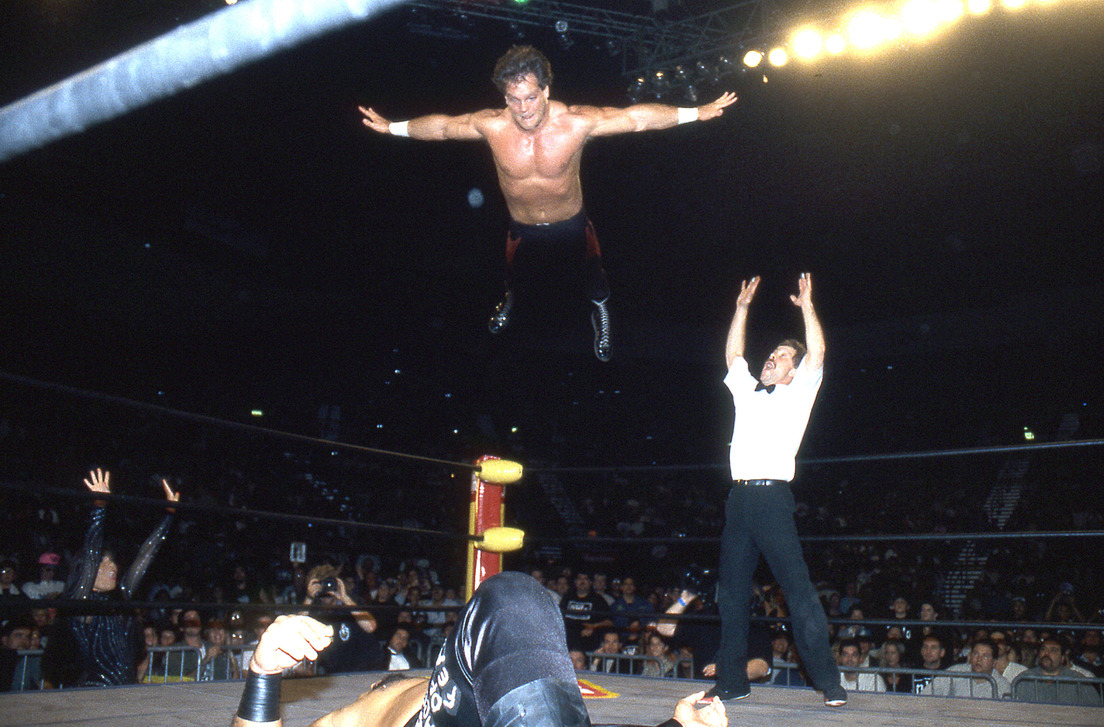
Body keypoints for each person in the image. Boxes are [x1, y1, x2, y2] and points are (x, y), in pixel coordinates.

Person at [359, 45, 737, 362]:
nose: (523, 108)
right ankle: (510, 298)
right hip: (522, 225)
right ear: (503, 97)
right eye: (513, 99)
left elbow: (636, 119)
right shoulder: (492, 124)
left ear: (546, 90)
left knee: (593, 276)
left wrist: (696, 113)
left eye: (530, 97)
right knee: (515, 274)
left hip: (570, 223)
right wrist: (392, 127)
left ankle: (601, 314)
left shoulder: (575, 122)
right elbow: (442, 128)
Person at [230, 571, 728, 727]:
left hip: (475, 702)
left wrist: (677, 724)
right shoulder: (355, 716)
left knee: (520, 604)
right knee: (512, 598)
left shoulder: (490, 693)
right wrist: (263, 670)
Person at [711, 273, 845, 707]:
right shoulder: (749, 393)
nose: (771, 357)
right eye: (771, 353)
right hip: (739, 500)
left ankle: (829, 682)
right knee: (731, 595)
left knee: (798, 591)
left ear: (794, 369)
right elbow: (733, 355)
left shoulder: (799, 393)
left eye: (782, 356)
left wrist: (807, 307)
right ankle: (732, 681)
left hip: (772, 500)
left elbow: (818, 352)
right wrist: (741, 309)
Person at [41, 468, 178, 688]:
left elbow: (146, 555)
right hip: (92, 691)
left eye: (113, 562)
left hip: (125, 688)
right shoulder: (80, 601)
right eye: (103, 563)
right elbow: (91, 553)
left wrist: (169, 514)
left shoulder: (121, 596)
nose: (111, 566)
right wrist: (99, 508)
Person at [304, 564, 381, 675]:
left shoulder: (352, 602)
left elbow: (370, 627)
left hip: (362, 670)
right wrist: (309, 598)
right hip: (332, 674)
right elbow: (296, 630)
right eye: (322, 585)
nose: (327, 590)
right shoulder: (314, 609)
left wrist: (345, 598)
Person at [1013, 635, 1100, 706]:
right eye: (1043, 649)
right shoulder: (1024, 678)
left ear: (1063, 658)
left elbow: (1096, 710)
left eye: (1053, 650)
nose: (1046, 653)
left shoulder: (1077, 680)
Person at [921, 639, 1011, 699]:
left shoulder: (1002, 685)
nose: (979, 659)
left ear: (994, 662)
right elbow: (927, 693)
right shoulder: (955, 672)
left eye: (985, 656)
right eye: (976, 654)